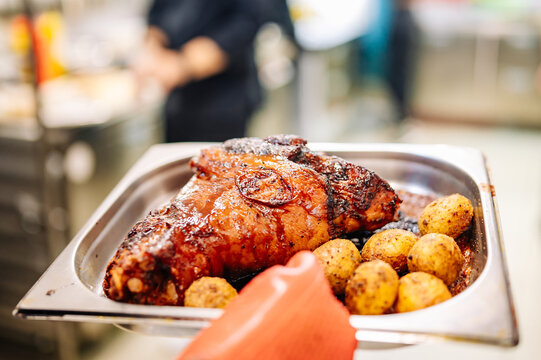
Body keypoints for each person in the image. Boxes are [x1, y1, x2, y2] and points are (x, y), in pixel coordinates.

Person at [134, 0, 293, 143]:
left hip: (225, 100)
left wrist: (181, 65)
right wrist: (153, 51)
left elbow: (244, 25)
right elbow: (157, 17)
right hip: (177, 101)